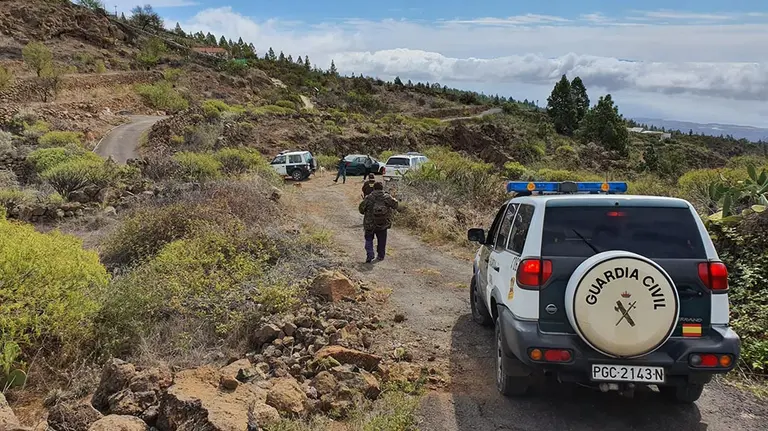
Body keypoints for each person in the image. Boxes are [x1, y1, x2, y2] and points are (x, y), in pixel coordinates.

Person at [358, 182, 398, 263]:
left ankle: (370, 253)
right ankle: (381, 255)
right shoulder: (387, 197)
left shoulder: (368, 198)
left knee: (368, 239)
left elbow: (361, 210)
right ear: (382, 188)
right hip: (383, 223)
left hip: (370, 223)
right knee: (382, 240)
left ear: (374, 188)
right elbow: (396, 205)